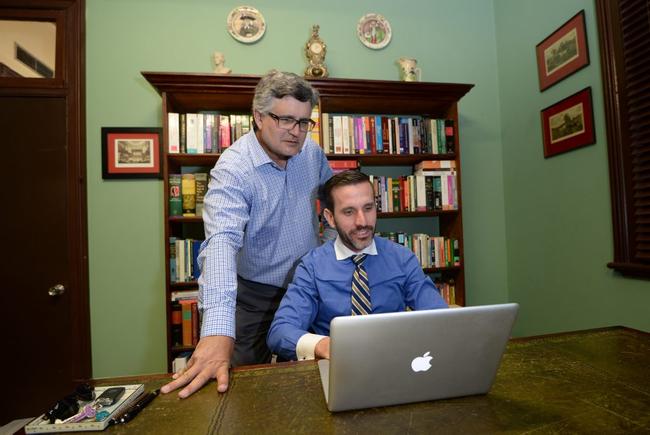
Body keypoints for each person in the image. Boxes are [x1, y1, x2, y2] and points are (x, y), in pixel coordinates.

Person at [161, 70, 333, 398]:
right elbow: (221, 244)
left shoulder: (311, 153)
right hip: (252, 295)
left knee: (309, 383)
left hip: (308, 287)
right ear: (257, 116)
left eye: (303, 122)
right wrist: (216, 331)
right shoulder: (233, 169)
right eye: (285, 120)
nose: (296, 133)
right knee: (238, 388)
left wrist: (327, 254)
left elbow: (333, 205)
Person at [267, 170, 448, 361]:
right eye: (348, 212)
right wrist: (325, 346)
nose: (362, 222)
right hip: (337, 367)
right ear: (330, 218)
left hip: (395, 363)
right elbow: (280, 332)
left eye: (368, 208)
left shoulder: (402, 258)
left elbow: (440, 318)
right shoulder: (311, 266)